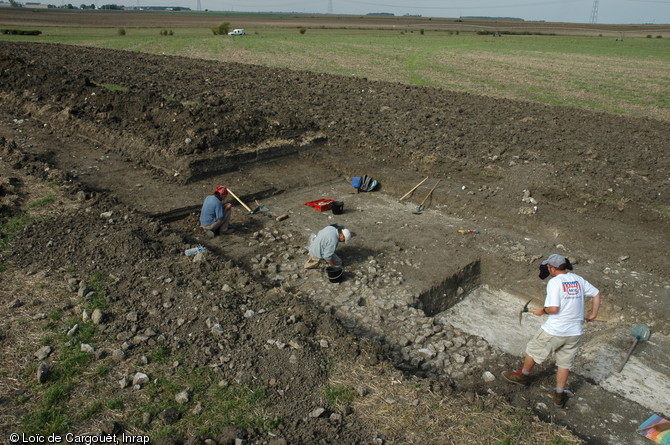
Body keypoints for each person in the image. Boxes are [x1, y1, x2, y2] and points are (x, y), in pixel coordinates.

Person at [502, 253, 601, 408]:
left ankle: (523, 376)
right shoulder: (577, 279)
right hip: (574, 332)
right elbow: (596, 293)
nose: (548, 269)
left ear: (552, 268)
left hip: (555, 330)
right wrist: (594, 314)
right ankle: (559, 394)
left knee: (533, 349)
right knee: (564, 364)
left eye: (548, 267)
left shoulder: (555, 283)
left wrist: (543, 311)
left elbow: (554, 309)